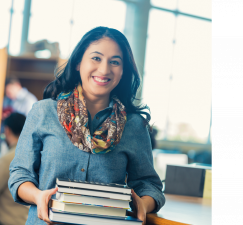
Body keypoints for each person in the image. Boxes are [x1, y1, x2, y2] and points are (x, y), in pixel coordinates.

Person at [8, 27, 165, 225]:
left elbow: (149, 184)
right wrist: (38, 196)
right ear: (78, 63)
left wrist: (143, 204)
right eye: (96, 58)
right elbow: (20, 175)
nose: (105, 69)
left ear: (123, 71)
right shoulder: (43, 112)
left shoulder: (134, 125)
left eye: (114, 62)